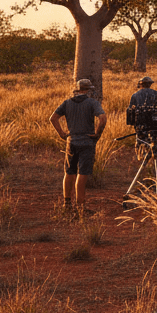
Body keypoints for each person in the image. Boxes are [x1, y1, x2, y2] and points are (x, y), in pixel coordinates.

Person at [50, 79, 107, 213]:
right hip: (87, 142)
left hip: (72, 140)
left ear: (77, 89)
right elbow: (103, 118)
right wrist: (97, 134)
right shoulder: (92, 102)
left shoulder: (67, 102)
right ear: (89, 90)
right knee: (83, 173)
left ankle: (67, 203)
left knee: (69, 172)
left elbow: (53, 118)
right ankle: (81, 207)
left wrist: (62, 133)